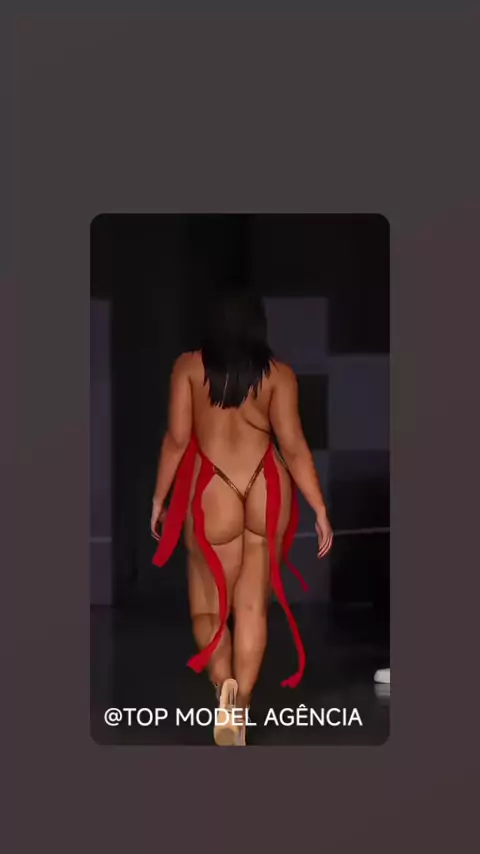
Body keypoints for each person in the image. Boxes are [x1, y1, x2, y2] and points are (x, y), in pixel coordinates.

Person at [150, 289, 333, 745]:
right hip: (265, 484)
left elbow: (177, 440)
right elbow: (294, 446)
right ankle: (242, 705)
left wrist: (159, 497)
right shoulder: (279, 375)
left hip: (212, 488)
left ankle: (225, 688)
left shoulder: (188, 368)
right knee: (253, 607)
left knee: (208, 608)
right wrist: (319, 508)